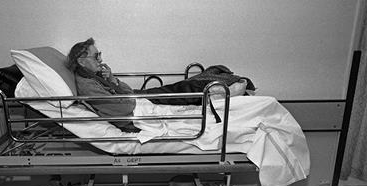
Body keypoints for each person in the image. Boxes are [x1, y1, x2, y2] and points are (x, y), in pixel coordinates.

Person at [67, 38, 254, 131]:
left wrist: (112, 80)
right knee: (176, 95)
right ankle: (216, 91)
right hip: (134, 112)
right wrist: (126, 95)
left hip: (137, 99)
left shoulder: (95, 77)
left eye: (100, 54)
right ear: (82, 61)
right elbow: (121, 107)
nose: (101, 59)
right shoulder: (86, 84)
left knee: (175, 90)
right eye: (96, 55)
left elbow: (127, 93)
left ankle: (213, 88)